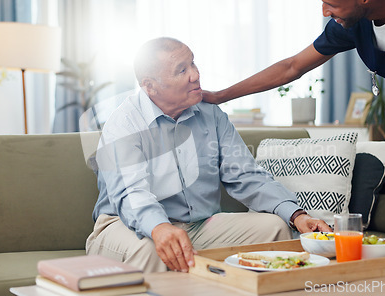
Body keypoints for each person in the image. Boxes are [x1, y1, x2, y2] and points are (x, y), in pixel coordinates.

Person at [203, 0, 385, 260]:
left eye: (331, 3)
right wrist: (220, 95)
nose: (325, 11)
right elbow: (292, 66)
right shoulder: (352, 25)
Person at [86, 37, 331, 273]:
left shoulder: (210, 113)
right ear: (150, 86)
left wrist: (296, 215)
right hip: (124, 226)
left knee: (274, 228)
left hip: (199, 226)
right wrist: (159, 228)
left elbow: (245, 174)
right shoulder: (124, 122)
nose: (195, 74)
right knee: (153, 248)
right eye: (182, 70)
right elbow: (131, 194)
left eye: (192, 63)